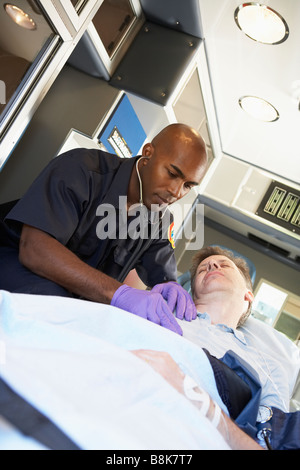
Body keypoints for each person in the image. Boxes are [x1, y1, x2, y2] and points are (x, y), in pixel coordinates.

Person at [0, 124, 208, 335]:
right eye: (172, 173)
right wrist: (118, 293)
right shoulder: (81, 169)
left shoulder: (159, 220)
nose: (176, 192)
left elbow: (163, 276)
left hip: (74, 300)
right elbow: (35, 249)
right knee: (58, 317)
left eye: (188, 186)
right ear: (147, 154)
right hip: (15, 263)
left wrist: (172, 288)